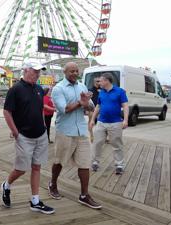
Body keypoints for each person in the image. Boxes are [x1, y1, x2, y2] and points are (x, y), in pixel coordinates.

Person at [1, 60, 54, 214]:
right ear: (25, 70)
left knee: (37, 167)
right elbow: (7, 112)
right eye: (35, 71)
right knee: (21, 169)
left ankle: (35, 201)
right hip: (23, 135)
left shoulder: (38, 88)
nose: (37, 74)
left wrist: (48, 113)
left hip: (40, 134)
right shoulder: (15, 89)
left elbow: (37, 107)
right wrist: (15, 132)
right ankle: (6, 184)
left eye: (39, 71)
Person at [49, 62, 102, 209]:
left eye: (76, 71)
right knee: (59, 161)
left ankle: (84, 195)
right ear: (64, 72)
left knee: (85, 163)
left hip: (81, 131)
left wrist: (87, 103)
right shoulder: (58, 89)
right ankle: (53, 183)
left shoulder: (82, 87)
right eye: (71, 71)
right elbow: (64, 109)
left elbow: (91, 106)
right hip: (65, 130)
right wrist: (80, 102)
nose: (74, 73)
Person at [90, 72, 129, 175]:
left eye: (101, 80)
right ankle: (95, 162)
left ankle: (119, 165)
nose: (99, 82)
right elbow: (98, 106)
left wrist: (125, 120)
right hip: (101, 122)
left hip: (115, 123)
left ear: (107, 81)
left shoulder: (120, 91)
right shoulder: (101, 92)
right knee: (97, 142)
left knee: (117, 144)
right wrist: (92, 119)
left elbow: (125, 106)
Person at [88, 78, 101, 142]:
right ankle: (91, 136)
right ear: (94, 82)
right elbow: (88, 100)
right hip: (92, 110)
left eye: (99, 81)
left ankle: (102, 137)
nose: (99, 82)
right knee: (91, 123)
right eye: (97, 81)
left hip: (100, 110)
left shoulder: (102, 90)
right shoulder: (90, 90)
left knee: (101, 124)